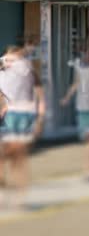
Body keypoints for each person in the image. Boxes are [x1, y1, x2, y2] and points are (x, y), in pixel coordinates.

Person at [0, 46, 45, 209]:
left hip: (24, 117)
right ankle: (6, 193)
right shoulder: (3, 72)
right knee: (5, 157)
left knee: (17, 158)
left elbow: (40, 97)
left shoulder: (29, 73)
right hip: (8, 117)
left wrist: (40, 119)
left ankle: (20, 196)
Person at [59, 47, 89, 180]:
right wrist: (67, 98)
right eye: (80, 56)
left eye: (85, 54)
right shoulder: (79, 68)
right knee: (88, 140)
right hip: (82, 108)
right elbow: (76, 84)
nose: (83, 58)